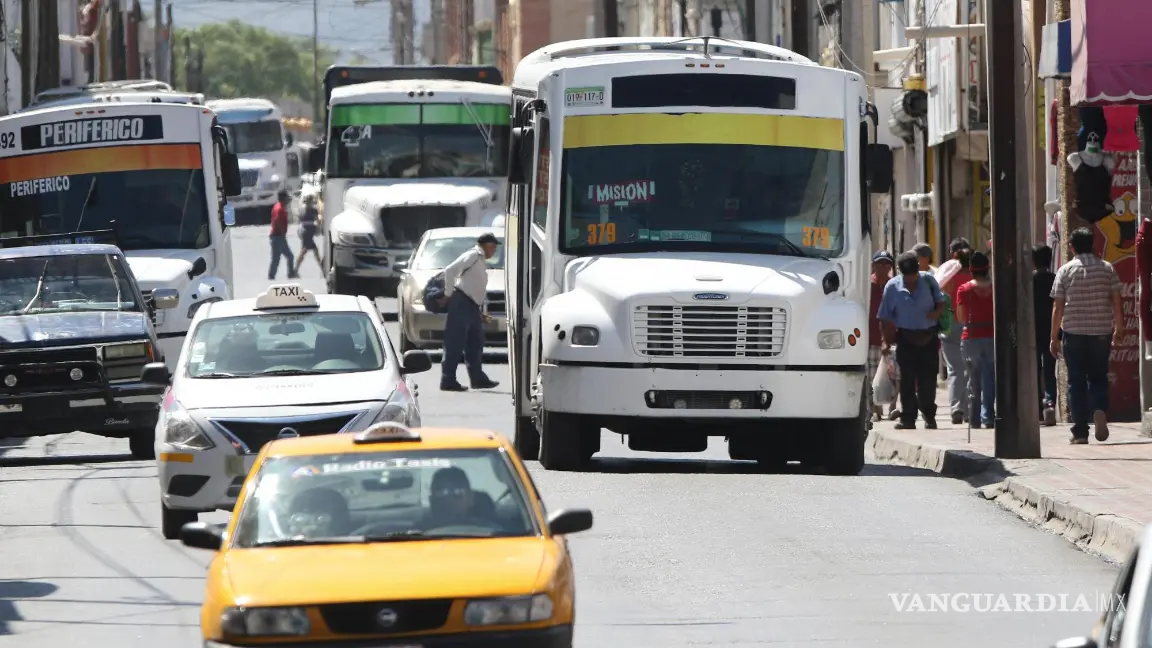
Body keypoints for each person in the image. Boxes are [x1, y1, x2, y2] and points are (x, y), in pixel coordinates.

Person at [1050, 227, 1123, 444]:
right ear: (1093, 244)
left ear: (1071, 247)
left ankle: (1080, 432)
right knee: (1099, 376)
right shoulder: (1107, 269)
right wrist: (1119, 328)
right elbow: (1116, 301)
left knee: (1076, 381)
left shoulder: (1065, 271)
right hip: (1101, 331)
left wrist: (1054, 336)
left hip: (1073, 332)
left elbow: (1058, 306)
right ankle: (1099, 409)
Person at [877, 251, 947, 429]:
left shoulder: (929, 281)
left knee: (927, 382)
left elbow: (941, 303)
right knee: (906, 380)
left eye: (913, 277)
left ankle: (929, 415)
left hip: (929, 338)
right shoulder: (892, 287)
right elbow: (885, 317)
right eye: (906, 277)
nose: (910, 281)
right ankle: (907, 418)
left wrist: (936, 313)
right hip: (906, 339)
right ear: (900, 272)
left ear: (918, 271)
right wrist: (886, 341)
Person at [440, 233, 500, 392]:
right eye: (493, 246)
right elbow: (450, 270)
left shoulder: (480, 260)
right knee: (455, 341)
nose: (494, 250)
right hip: (461, 302)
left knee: (476, 341)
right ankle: (448, 379)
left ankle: (477, 378)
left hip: (472, 305)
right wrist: (447, 294)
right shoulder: (473, 255)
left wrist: (480, 311)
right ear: (485, 245)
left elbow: (476, 287)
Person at [955, 252, 995, 428]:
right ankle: (989, 416)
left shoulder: (964, 290)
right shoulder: (996, 288)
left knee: (973, 378)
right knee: (990, 377)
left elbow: (962, 318)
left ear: (971, 269)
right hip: (991, 335)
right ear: (988, 268)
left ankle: (974, 417)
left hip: (971, 337)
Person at [936, 238, 973, 424]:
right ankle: (968, 409)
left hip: (950, 325)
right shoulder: (975, 278)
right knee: (969, 368)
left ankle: (956, 408)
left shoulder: (947, 276)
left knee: (954, 369)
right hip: (970, 325)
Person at [869, 250, 897, 421]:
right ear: (873, 265)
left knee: (894, 374)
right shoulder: (867, 284)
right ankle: (875, 408)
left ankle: (893, 406)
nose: (884, 267)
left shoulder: (893, 285)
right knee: (872, 374)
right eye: (880, 263)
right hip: (871, 336)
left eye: (887, 264)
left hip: (891, 336)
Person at [1033, 244, 1058, 426]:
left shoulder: (1029, 281)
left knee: (1033, 370)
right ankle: (1050, 403)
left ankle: (1036, 408)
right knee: (1050, 370)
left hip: (1032, 331)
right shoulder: (1054, 279)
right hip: (1051, 330)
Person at [419, 467, 493, 529]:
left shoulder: (494, 534)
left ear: (470, 498)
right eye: (440, 493)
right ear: (431, 499)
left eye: (457, 492)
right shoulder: (414, 535)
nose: (448, 500)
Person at [268, 189, 298, 280]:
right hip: (277, 237)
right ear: (283, 198)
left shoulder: (279, 206)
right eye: (286, 198)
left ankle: (291, 274)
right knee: (276, 259)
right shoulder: (279, 209)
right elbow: (277, 221)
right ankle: (271, 276)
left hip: (280, 237)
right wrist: (281, 232)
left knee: (290, 256)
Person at [295, 194, 324, 271]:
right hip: (308, 232)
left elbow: (299, 220)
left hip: (305, 231)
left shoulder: (302, 209)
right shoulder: (313, 210)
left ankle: (296, 268)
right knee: (305, 250)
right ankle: (295, 269)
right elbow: (317, 220)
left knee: (312, 250)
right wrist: (319, 224)